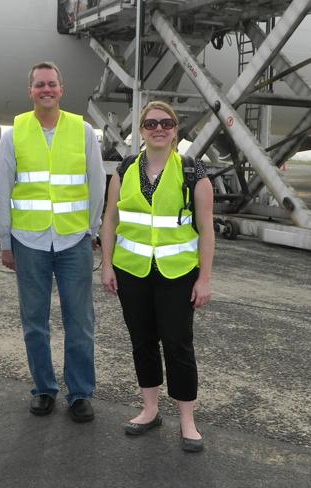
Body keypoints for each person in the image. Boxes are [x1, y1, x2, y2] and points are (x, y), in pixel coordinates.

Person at [0, 61, 105, 422]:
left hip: (73, 240)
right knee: (34, 321)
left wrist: (92, 229)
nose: (46, 89)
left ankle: (80, 393)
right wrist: (5, 240)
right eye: (39, 84)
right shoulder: (14, 134)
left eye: (52, 84)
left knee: (80, 322)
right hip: (29, 241)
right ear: (30, 91)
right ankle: (43, 388)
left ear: (61, 89)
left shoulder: (83, 130)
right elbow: (1, 190)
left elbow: (97, 183)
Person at [100, 101, 215, 452]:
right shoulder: (126, 169)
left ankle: (187, 420)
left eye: (166, 123)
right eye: (151, 123)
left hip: (177, 272)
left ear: (176, 130)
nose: (158, 128)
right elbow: (109, 221)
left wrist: (205, 278)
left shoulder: (194, 173)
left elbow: (207, 230)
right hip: (132, 270)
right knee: (143, 341)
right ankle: (150, 409)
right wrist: (107, 264)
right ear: (142, 130)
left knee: (178, 344)